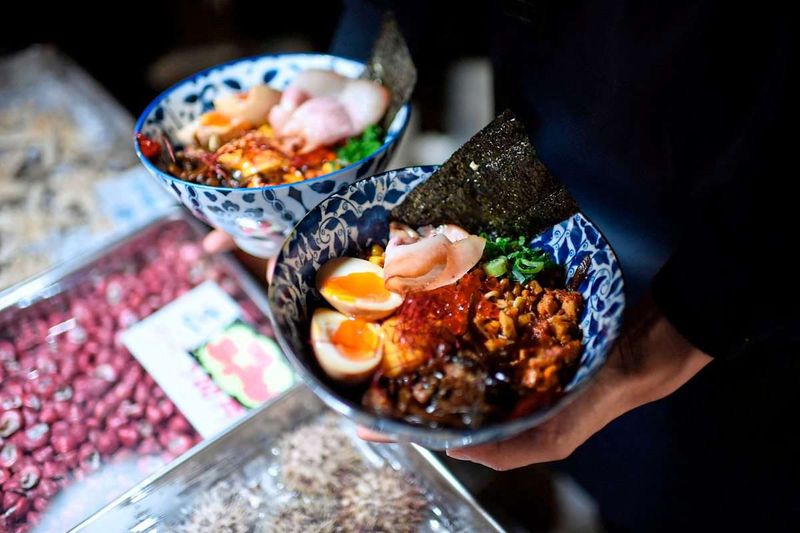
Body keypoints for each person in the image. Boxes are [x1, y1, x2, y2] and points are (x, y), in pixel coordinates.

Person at [208, 1, 797, 530]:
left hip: (743, 260)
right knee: (579, 448)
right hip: (530, 163)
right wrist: (363, 78)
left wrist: (676, 330)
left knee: (684, 480)